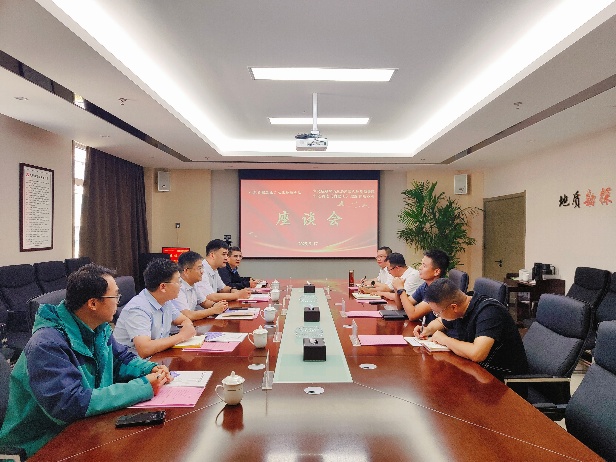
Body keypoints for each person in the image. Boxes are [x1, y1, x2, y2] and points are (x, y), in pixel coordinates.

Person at [0, 264, 171, 457]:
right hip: (41, 445)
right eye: (115, 296)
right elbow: (71, 404)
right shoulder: (47, 345)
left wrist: (150, 368)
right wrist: (143, 386)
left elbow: (121, 359)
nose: (118, 302)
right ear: (93, 304)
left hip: (86, 428)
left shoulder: (99, 329)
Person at [414, 278, 528, 380]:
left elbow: (477, 354)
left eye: (437, 312)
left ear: (453, 307)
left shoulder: (490, 312)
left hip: (501, 382)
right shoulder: (463, 305)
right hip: (476, 372)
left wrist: (444, 340)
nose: (437, 315)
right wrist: (427, 329)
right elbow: (440, 322)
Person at [113, 258, 196, 358]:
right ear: (163, 287)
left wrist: (187, 327)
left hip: (159, 357)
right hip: (134, 363)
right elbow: (145, 349)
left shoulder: (165, 301)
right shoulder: (138, 309)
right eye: (178, 282)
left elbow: (183, 320)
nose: (180, 286)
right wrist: (182, 336)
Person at [392, 249, 449, 321]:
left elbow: (412, 315)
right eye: (421, 264)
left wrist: (401, 288)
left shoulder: (440, 290)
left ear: (436, 272)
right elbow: (402, 307)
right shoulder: (425, 285)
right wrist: (397, 289)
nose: (420, 268)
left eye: (424, 266)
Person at [174, 251, 229, 320]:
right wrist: (213, 310)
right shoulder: (177, 287)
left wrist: (216, 305)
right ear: (186, 271)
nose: (202, 271)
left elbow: (204, 302)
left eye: (202, 268)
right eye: (199, 268)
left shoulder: (193, 284)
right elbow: (188, 315)